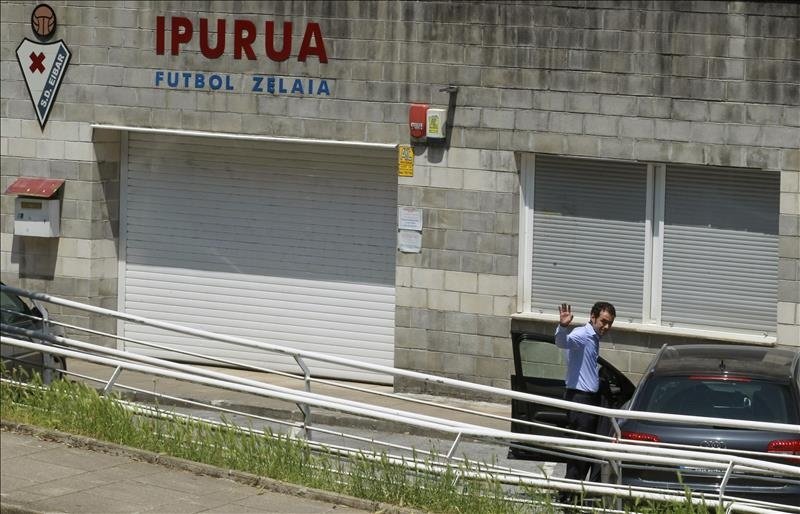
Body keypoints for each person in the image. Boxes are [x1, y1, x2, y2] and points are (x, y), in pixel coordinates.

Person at [555, 301, 616, 489]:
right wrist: (563, 326)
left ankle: (578, 493)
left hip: (589, 399)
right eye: (603, 321)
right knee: (579, 450)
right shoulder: (582, 334)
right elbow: (562, 342)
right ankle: (569, 495)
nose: (606, 327)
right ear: (593, 317)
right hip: (580, 398)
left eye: (609, 323)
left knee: (586, 449)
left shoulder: (594, 337)